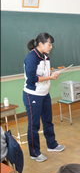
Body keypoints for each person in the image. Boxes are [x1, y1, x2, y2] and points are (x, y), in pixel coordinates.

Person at [23, 33, 65, 162]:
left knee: (48, 121)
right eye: (49, 44)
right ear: (40, 44)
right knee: (34, 125)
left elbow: (43, 73)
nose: (51, 47)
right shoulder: (31, 58)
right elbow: (32, 79)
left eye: (51, 44)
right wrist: (50, 77)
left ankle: (52, 145)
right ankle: (34, 153)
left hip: (44, 93)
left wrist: (52, 74)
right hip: (33, 94)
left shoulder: (45, 56)